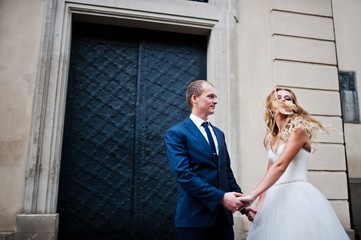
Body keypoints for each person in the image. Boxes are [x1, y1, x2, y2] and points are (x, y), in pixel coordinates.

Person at [238, 88, 350, 240]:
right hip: (275, 198)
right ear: (271, 107)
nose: (284, 100)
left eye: (288, 98)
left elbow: (280, 166)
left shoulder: (298, 131)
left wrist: (252, 195)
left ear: (293, 106)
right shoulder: (274, 138)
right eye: (279, 97)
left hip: (296, 196)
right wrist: (258, 205)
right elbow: (269, 173)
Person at [165, 80, 244, 240]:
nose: (216, 101)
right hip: (194, 220)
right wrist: (221, 197)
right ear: (195, 98)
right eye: (211, 96)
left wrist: (244, 206)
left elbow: (226, 173)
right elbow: (184, 175)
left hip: (223, 221)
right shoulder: (177, 133)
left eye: (216, 97)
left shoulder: (219, 134)